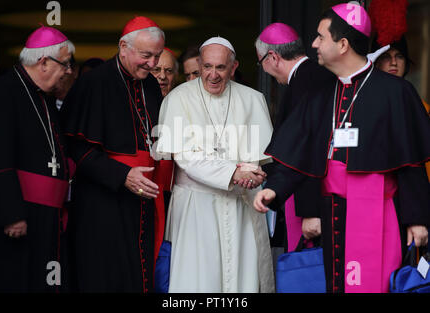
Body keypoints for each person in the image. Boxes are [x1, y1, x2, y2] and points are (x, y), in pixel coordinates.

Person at [254, 3, 429, 293]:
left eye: (321, 37)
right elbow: (299, 153)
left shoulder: (396, 92)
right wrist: (274, 189)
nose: (313, 44)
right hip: (333, 211)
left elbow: (411, 162)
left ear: (343, 44)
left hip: (381, 213)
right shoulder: (319, 95)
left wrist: (418, 220)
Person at [156, 36, 275, 293]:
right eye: (206, 67)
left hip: (240, 206)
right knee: (197, 280)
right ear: (199, 64)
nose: (212, 74)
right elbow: (185, 156)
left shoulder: (253, 99)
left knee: (242, 281)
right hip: (195, 206)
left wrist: (252, 174)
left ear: (233, 68)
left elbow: (260, 156)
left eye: (220, 68)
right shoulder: (178, 99)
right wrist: (233, 172)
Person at [61, 16, 170, 292]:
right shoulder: (93, 84)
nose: (153, 64)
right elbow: (76, 146)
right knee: (106, 275)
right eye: (146, 55)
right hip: (103, 203)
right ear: (124, 47)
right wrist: (123, 175)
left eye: (157, 56)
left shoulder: (151, 85)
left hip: (143, 200)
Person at [0, 26, 74, 292]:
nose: (69, 71)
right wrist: (12, 215)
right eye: (65, 64)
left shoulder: (42, 96)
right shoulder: (4, 90)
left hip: (45, 215)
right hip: (20, 213)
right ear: (44, 62)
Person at [255, 23, 334, 254]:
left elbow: (310, 147)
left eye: (262, 64)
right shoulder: (311, 76)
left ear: (273, 57)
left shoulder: (306, 83)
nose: (265, 71)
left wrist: (310, 210)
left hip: (311, 197)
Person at [369, 0, 430, 181]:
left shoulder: (423, 109)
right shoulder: (363, 99)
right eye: (386, 57)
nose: (394, 62)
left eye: (399, 56)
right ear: (375, 61)